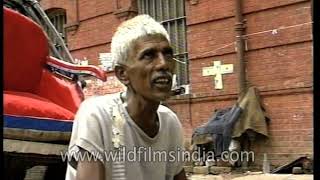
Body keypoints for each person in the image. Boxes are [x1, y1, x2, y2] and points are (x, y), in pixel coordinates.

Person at [65, 14, 187, 180]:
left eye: (167, 54)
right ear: (123, 74)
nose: (163, 64)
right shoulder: (97, 115)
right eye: (149, 55)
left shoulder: (170, 122)